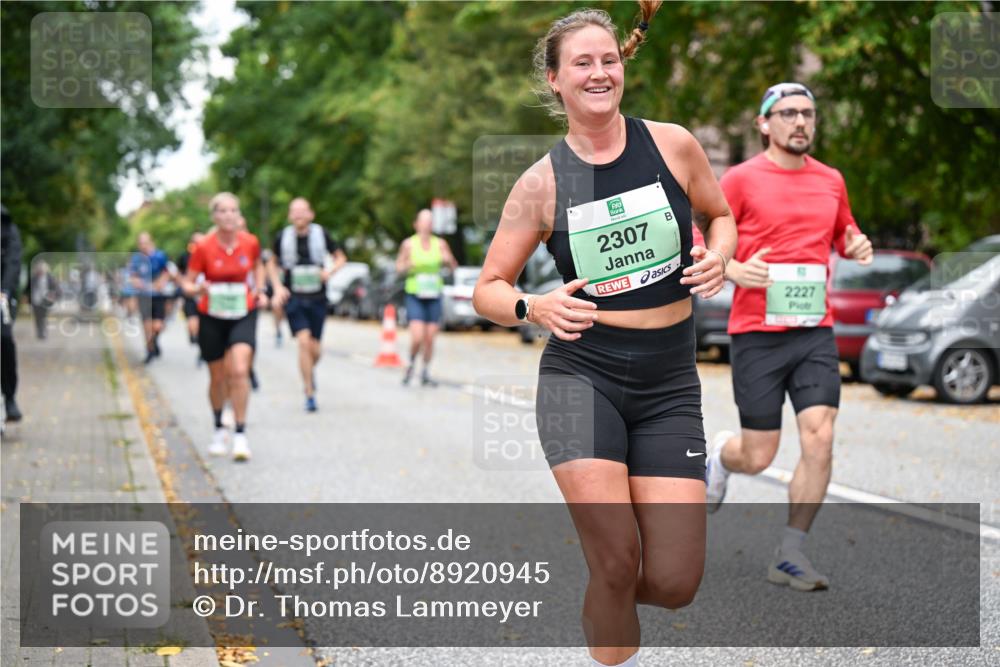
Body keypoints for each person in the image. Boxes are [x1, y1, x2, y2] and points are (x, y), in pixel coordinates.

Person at [472, 4, 736, 666]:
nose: (599, 73)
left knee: (674, 583)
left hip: (669, 378)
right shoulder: (542, 182)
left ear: (624, 66)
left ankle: (606, 593)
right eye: (582, 63)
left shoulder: (673, 144)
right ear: (556, 81)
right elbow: (488, 288)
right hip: (580, 377)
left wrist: (720, 255)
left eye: (608, 60)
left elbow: (721, 213)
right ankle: (609, 612)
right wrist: (534, 306)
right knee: (618, 560)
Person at [705, 82, 874, 591]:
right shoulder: (738, 180)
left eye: (808, 114)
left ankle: (790, 552)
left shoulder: (831, 180)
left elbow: (844, 233)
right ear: (764, 124)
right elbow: (700, 238)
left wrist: (857, 245)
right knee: (758, 455)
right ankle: (720, 457)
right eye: (787, 114)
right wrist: (732, 270)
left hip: (813, 332)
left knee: (820, 435)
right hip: (757, 332)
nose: (800, 122)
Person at [181, 193, 267, 462]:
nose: (229, 215)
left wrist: (261, 290)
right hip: (212, 315)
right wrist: (198, 288)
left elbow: (257, 265)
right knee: (217, 377)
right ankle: (219, 428)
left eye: (233, 210)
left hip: (243, 311)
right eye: (223, 211)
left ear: (238, 215)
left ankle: (240, 434)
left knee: (239, 370)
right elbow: (187, 283)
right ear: (214, 216)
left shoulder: (250, 242)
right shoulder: (204, 247)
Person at [267, 198, 346, 411]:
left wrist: (329, 272)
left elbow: (340, 258)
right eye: (295, 211)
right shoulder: (282, 237)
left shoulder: (322, 234)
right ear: (290, 215)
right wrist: (277, 287)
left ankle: (309, 372)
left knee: (315, 348)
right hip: (294, 297)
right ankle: (309, 391)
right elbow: (272, 263)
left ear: (311, 214)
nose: (299, 215)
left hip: (317, 298)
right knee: (303, 342)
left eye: (303, 211)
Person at [395, 209, 458, 387]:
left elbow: (453, 266)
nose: (427, 224)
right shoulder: (408, 244)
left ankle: (425, 372)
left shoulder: (440, 244)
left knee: (430, 338)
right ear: (416, 224)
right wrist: (407, 264)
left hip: (433, 294)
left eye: (430, 221)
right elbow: (398, 267)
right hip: (415, 293)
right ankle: (411, 363)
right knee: (417, 337)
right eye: (424, 221)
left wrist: (448, 260)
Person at [129, 232, 175, 364]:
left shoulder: (160, 256)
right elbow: (133, 276)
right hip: (144, 297)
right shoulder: (136, 259)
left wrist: (160, 283)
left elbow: (167, 272)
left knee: (157, 326)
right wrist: (140, 284)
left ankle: (154, 341)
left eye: (145, 242)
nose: (143, 245)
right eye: (141, 243)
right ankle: (149, 351)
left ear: (150, 242)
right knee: (147, 325)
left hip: (158, 296)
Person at [1, 204, 23, 423]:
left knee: (4, 339)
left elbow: (12, 263)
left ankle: (9, 397)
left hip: (2, 295)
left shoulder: (7, 227)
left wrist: (4, 291)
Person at [175, 231, 205, 365]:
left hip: (206, 296)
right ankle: (195, 338)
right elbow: (179, 274)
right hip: (191, 295)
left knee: (204, 327)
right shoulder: (185, 257)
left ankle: (203, 351)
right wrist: (184, 285)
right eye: (196, 242)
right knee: (193, 324)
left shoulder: (210, 254)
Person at [30, 260, 59, 340]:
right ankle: (39, 332)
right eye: (39, 270)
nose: (40, 271)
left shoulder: (50, 278)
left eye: (42, 270)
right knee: (37, 317)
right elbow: (28, 288)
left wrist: (53, 295)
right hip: (36, 300)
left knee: (44, 317)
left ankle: (44, 332)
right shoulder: (34, 278)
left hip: (46, 300)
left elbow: (55, 288)